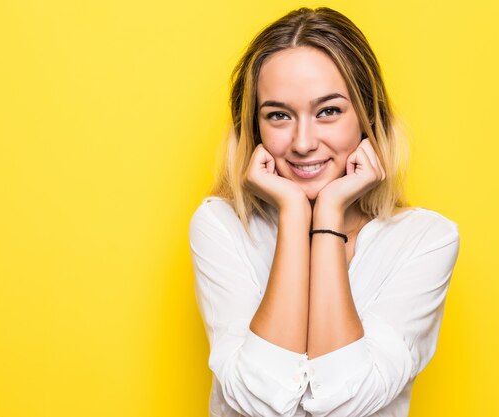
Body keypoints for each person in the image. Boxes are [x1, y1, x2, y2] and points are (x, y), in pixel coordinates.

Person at [189, 6, 460, 417]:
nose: (302, 142)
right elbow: (259, 402)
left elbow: (343, 404)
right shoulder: (221, 226)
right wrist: (295, 215)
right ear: (254, 126)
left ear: (367, 117)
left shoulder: (425, 240)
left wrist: (328, 214)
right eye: (278, 115)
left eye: (328, 111)